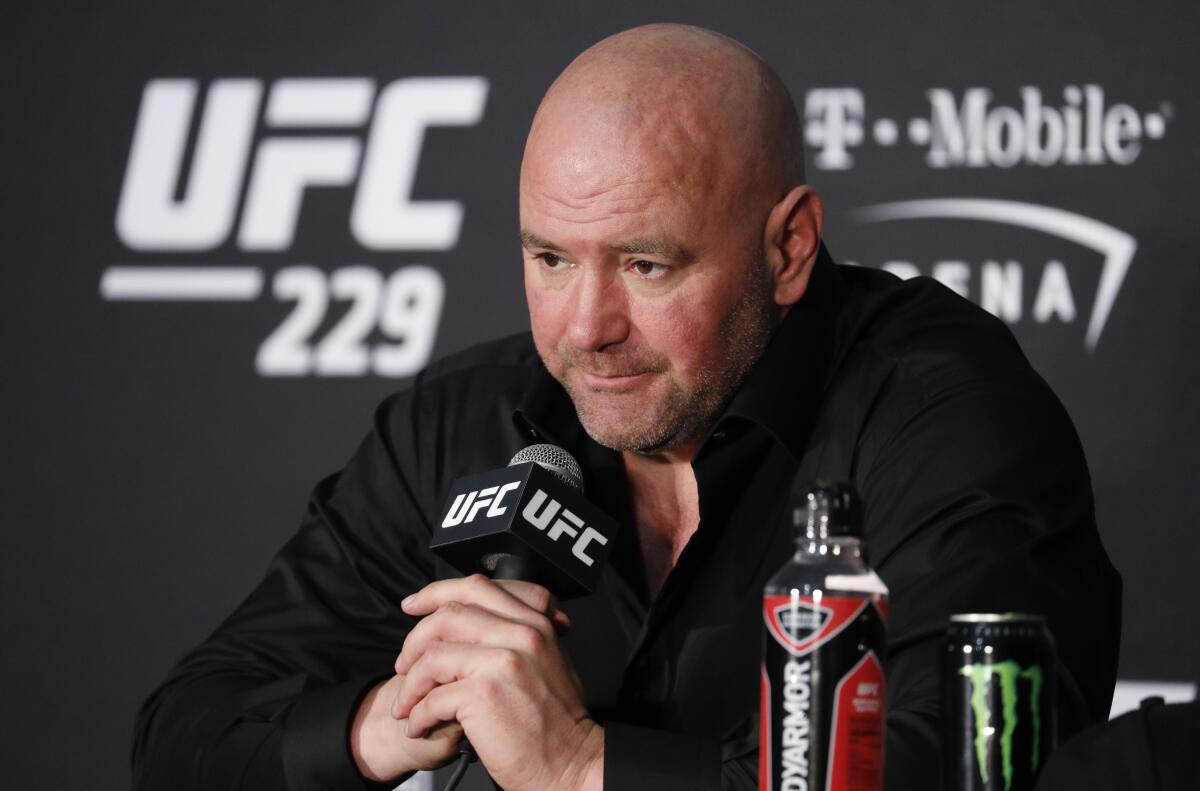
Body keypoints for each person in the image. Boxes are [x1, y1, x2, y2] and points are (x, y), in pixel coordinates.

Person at [131, 24, 1121, 791]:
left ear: (789, 248)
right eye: (549, 259)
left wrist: (576, 766)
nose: (587, 328)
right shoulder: (461, 420)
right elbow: (191, 727)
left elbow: (968, 760)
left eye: (648, 265)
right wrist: (387, 718)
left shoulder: (941, 410)